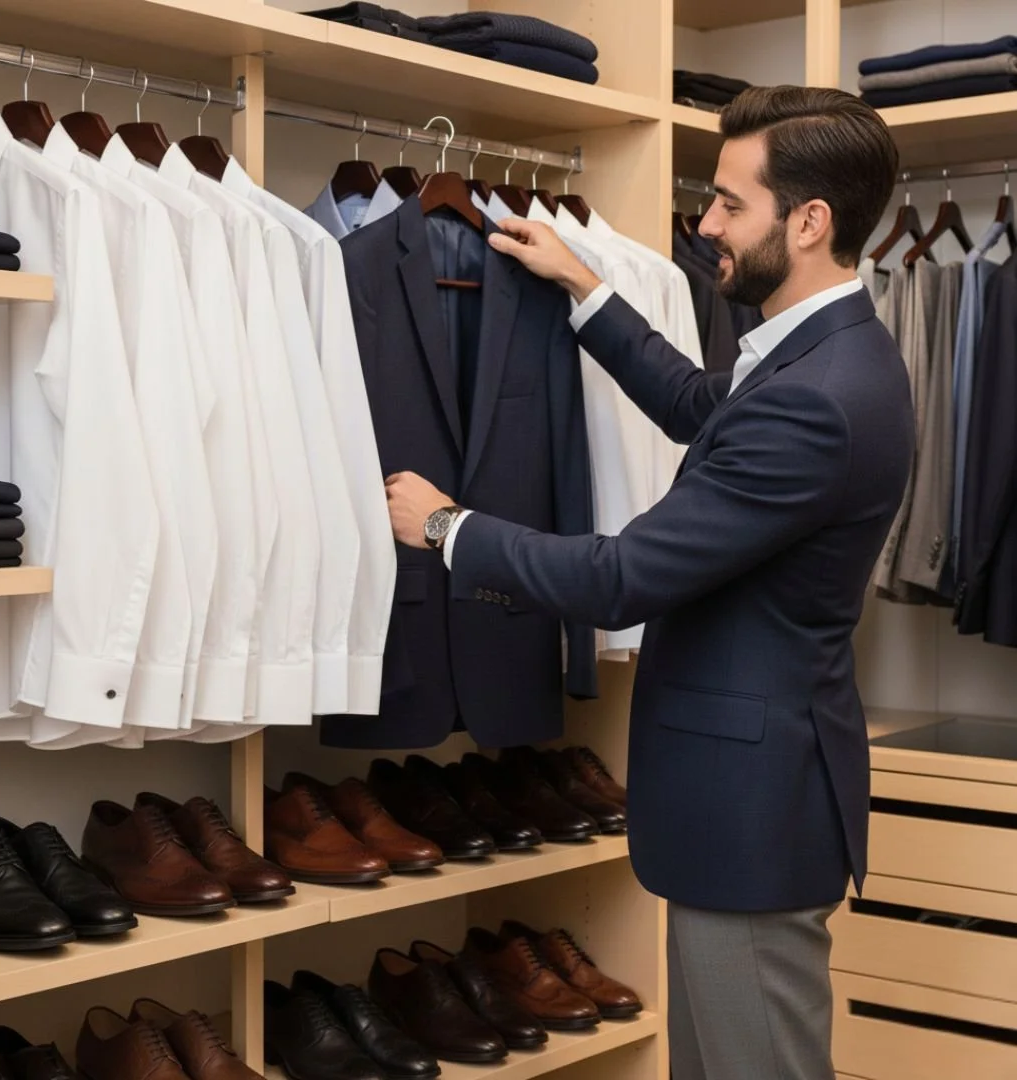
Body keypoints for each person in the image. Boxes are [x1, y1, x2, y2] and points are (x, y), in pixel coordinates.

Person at [384, 85, 914, 1080]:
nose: (704, 224)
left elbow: (623, 575)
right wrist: (586, 287)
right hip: (751, 798)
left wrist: (449, 528)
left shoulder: (821, 399)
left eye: (728, 204)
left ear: (809, 223)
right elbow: (699, 404)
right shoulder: (821, 354)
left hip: (750, 816)